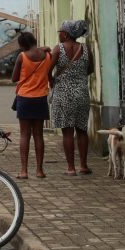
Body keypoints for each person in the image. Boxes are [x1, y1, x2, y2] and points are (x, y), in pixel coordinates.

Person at [50, 19, 93, 175]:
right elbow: (90, 69)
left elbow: (48, 69)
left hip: (63, 94)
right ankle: (83, 166)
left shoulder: (58, 49)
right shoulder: (86, 48)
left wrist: (52, 81)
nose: (59, 34)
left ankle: (71, 168)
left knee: (67, 132)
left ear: (66, 34)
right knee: (82, 130)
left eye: (60, 32)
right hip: (82, 93)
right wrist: (78, 78)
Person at [10, 31, 51, 179]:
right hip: (41, 98)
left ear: (22, 45)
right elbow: (49, 73)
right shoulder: (47, 55)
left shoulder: (22, 57)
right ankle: (39, 171)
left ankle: (24, 171)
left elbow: (14, 78)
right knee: (38, 135)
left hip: (25, 98)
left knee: (24, 135)